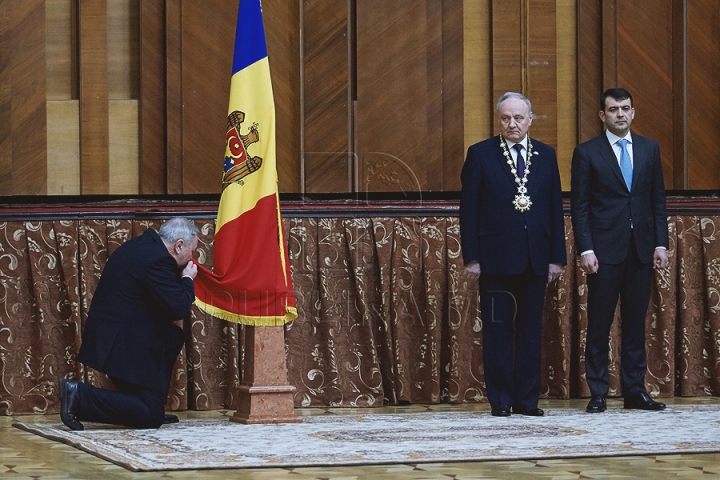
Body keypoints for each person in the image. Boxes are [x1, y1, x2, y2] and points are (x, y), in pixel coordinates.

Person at [460, 92, 566, 417]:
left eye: (518, 118)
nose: (512, 124)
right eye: (506, 118)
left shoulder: (546, 155)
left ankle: (527, 400)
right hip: (495, 260)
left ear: (530, 119)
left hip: (536, 259)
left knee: (531, 333)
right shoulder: (480, 154)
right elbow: (469, 211)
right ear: (499, 120)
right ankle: (501, 399)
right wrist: (472, 258)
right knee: (499, 333)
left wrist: (556, 258)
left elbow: (554, 208)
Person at [570, 87, 669, 413]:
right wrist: (586, 249)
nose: (620, 114)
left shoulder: (649, 149)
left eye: (625, 108)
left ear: (633, 111)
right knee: (598, 324)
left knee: (635, 323)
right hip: (603, 252)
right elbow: (580, 207)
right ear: (603, 115)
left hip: (641, 250)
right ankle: (597, 392)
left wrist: (659, 243)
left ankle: (634, 391)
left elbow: (657, 202)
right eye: (613, 110)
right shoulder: (587, 153)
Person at [59, 217, 199, 430]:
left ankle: (149, 406)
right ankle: (79, 395)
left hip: (120, 334)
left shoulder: (145, 246)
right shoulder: (157, 260)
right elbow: (178, 308)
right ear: (179, 245)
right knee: (150, 417)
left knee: (172, 336)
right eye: (192, 251)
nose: (192, 257)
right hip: (120, 341)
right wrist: (187, 279)